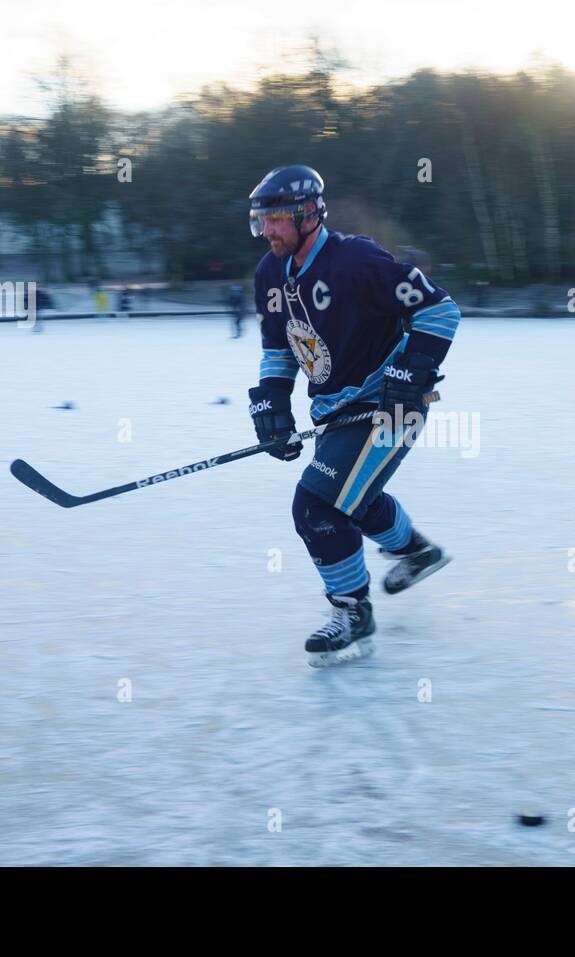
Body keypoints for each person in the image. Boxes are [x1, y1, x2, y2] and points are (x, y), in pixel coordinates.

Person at [246, 164, 460, 666]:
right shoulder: (269, 274)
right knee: (355, 499)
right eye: (262, 221)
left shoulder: (356, 260)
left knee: (317, 506)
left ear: (308, 214)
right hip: (335, 410)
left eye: (277, 219)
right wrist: (272, 403)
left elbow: (439, 312)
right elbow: (279, 347)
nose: (269, 231)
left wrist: (411, 375)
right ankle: (416, 552)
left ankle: (352, 612)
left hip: (390, 406)